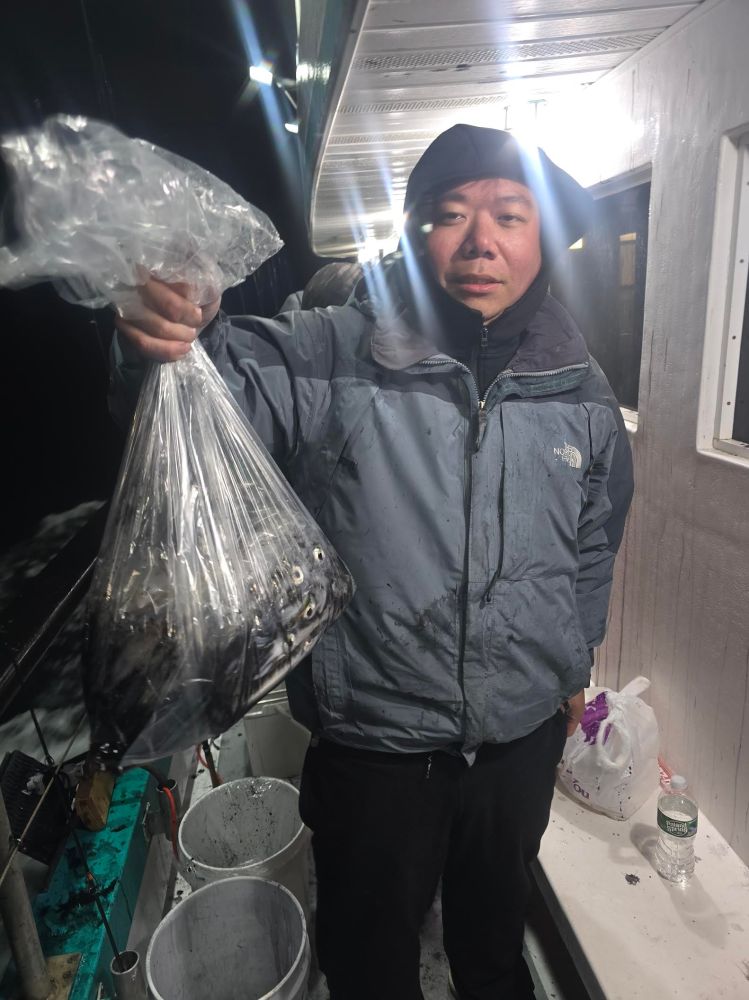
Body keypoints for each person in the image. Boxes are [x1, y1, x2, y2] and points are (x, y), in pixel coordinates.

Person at [112, 124, 633, 1000]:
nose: (481, 239)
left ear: (542, 238)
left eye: (510, 214)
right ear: (412, 231)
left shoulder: (579, 391)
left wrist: (572, 660)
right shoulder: (327, 355)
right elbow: (202, 396)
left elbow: (594, 539)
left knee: (495, 955)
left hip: (514, 750)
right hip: (377, 757)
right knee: (368, 968)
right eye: (450, 214)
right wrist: (160, 341)